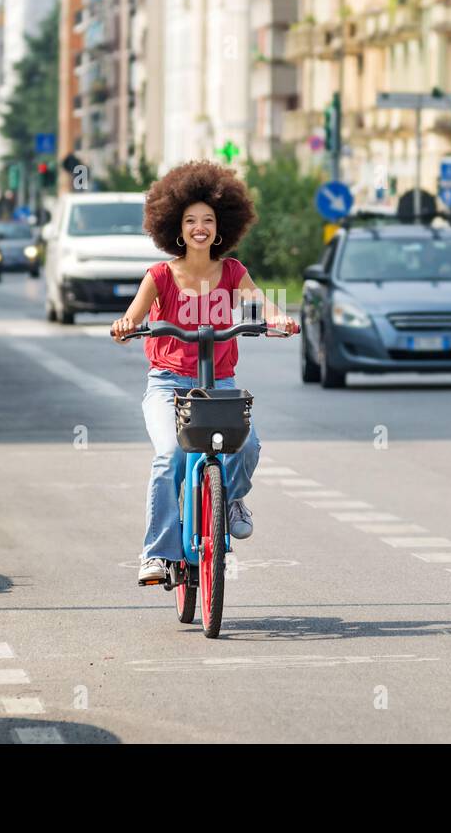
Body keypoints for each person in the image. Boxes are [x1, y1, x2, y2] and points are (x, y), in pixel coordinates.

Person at [110, 161, 298, 585]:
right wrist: (125, 327)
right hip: (168, 386)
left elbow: (260, 304)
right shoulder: (159, 276)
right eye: (191, 220)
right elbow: (130, 318)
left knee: (249, 448)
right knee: (170, 456)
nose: (200, 228)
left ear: (220, 227)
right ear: (176, 226)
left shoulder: (231, 271)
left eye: (208, 221)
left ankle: (229, 501)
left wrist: (279, 319)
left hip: (219, 385)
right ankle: (157, 553)